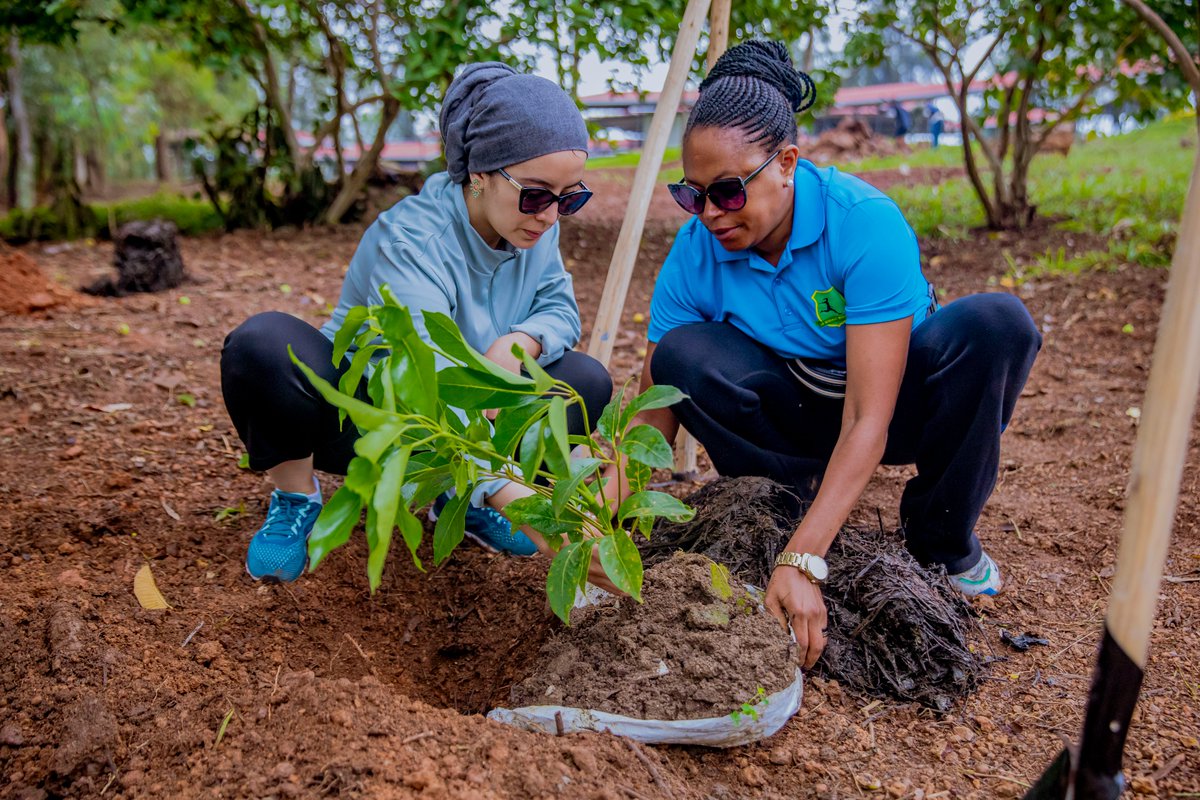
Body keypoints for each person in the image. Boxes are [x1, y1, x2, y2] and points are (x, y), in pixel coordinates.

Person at [617, 41, 1041, 669]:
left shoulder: (862, 222)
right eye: (692, 194)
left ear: (787, 162)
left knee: (996, 324)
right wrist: (599, 517)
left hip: (895, 408)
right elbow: (655, 407)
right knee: (679, 356)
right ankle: (781, 508)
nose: (708, 214)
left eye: (729, 192)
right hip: (795, 406)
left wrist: (802, 559)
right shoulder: (695, 249)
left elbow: (869, 416)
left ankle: (942, 539)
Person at [221, 62, 613, 584]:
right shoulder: (411, 241)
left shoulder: (534, 226)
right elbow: (422, 384)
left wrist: (521, 343)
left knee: (582, 382)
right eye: (537, 194)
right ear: (479, 174)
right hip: (373, 416)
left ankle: (460, 503)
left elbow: (560, 310)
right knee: (263, 346)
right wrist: (533, 510)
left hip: (478, 408)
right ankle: (296, 497)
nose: (550, 216)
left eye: (569, 198)